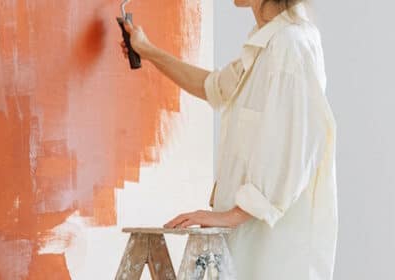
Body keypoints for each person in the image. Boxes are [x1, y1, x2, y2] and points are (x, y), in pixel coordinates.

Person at [119, 0, 337, 279]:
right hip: (247, 243)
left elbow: (294, 149)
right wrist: (147, 51)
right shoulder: (267, 42)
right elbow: (213, 87)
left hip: (273, 250)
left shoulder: (290, 44)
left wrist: (229, 216)